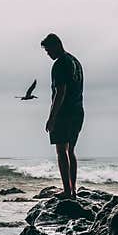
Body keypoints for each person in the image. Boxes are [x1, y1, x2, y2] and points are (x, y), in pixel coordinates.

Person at [41, 33, 84, 199]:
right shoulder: (75, 62)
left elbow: (60, 92)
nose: (48, 54)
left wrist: (52, 117)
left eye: (48, 50)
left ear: (56, 45)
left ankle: (67, 191)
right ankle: (73, 190)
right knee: (71, 150)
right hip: (78, 111)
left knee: (61, 151)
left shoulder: (60, 64)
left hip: (64, 113)